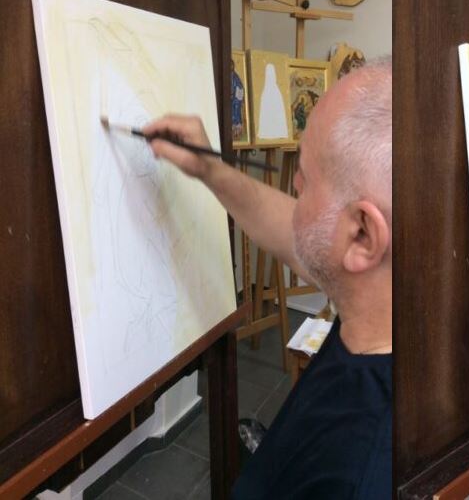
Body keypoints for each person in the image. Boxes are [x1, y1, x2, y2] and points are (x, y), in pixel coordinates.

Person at [144, 58, 392, 499]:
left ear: (361, 234)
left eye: (305, 179)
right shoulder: (392, 303)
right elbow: (300, 233)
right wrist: (211, 170)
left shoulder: (354, 471)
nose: (293, 184)